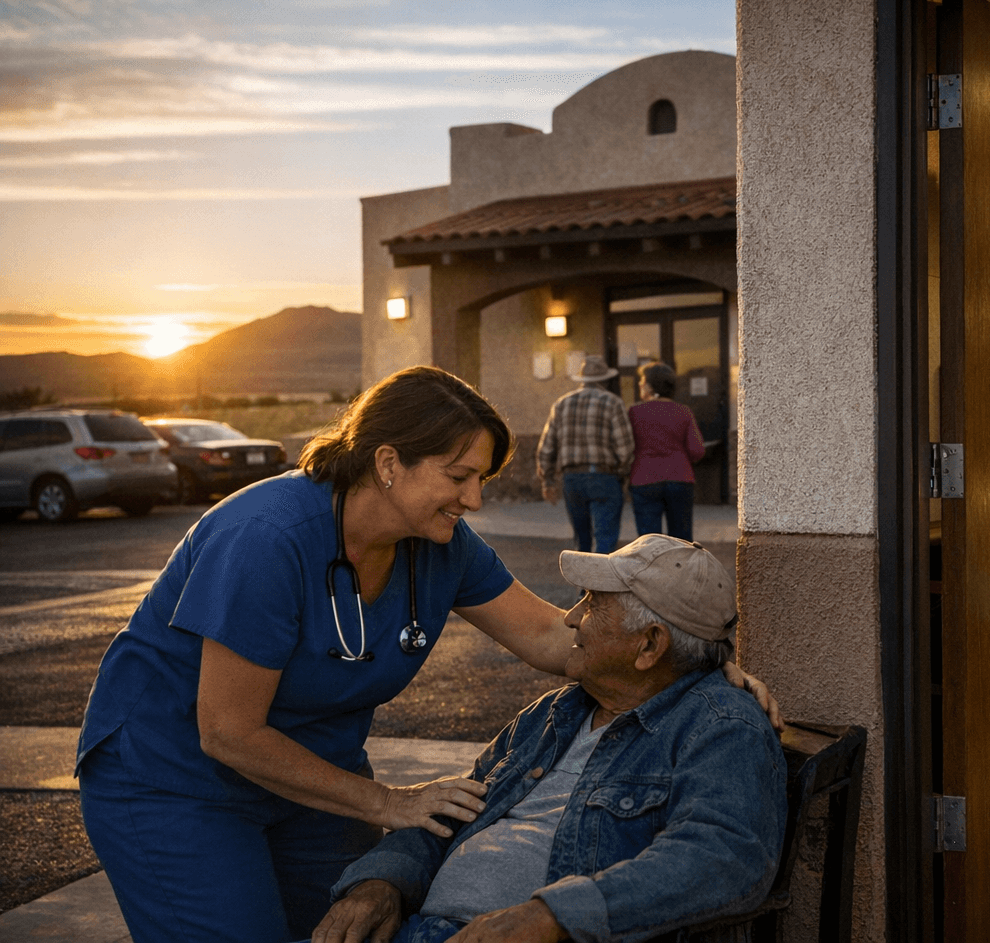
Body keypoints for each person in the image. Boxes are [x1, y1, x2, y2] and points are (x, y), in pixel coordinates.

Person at [74, 366, 775, 943]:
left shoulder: (440, 546)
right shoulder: (264, 537)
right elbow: (226, 730)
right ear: (388, 463)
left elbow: (555, 639)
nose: (474, 497)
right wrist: (387, 801)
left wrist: (703, 668)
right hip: (175, 777)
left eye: (482, 478)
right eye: (459, 476)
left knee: (344, 927)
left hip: (315, 773)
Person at [309, 534, 786, 943]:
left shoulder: (720, 726)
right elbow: (452, 812)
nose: (571, 618)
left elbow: (723, 856)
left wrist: (551, 916)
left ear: (650, 645)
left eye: (593, 604)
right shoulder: (557, 711)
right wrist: (382, 882)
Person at [537, 355, 636, 555]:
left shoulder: (561, 404)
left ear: (582, 379)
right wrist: (623, 474)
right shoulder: (613, 402)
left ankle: (584, 587)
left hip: (572, 479)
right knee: (605, 539)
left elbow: (546, 447)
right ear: (605, 380)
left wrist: (547, 481)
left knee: (581, 540)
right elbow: (626, 448)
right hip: (604, 477)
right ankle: (601, 586)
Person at [627, 361, 706, 541]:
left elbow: (626, 446)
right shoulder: (683, 412)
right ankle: (679, 569)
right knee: (681, 539)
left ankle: (652, 569)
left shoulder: (634, 412)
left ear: (649, 385)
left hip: (644, 478)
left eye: (642, 380)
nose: (640, 384)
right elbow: (697, 450)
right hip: (680, 478)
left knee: (648, 540)